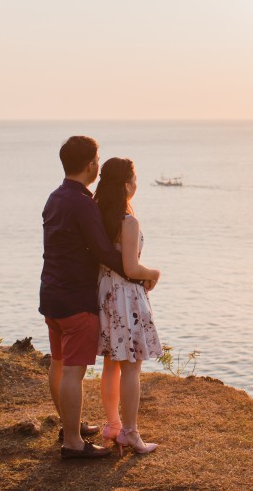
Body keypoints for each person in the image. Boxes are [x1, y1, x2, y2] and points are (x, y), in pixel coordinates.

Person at [39, 135, 127, 460]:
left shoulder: (54, 198)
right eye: (98, 159)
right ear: (91, 164)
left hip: (50, 293)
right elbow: (103, 251)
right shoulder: (83, 203)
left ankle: (69, 427)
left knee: (59, 364)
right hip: (76, 299)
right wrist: (136, 272)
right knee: (74, 371)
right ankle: (73, 443)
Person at [93, 157, 163, 455]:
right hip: (125, 297)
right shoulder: (127, 221)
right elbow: (132, 267)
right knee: (131, 367)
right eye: (135, 179)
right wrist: (153, 273)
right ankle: (131, 433)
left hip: (104, 294)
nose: (137, 185)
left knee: (111, 363)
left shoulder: (96, 216)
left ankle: (113, 425)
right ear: (126, 185)